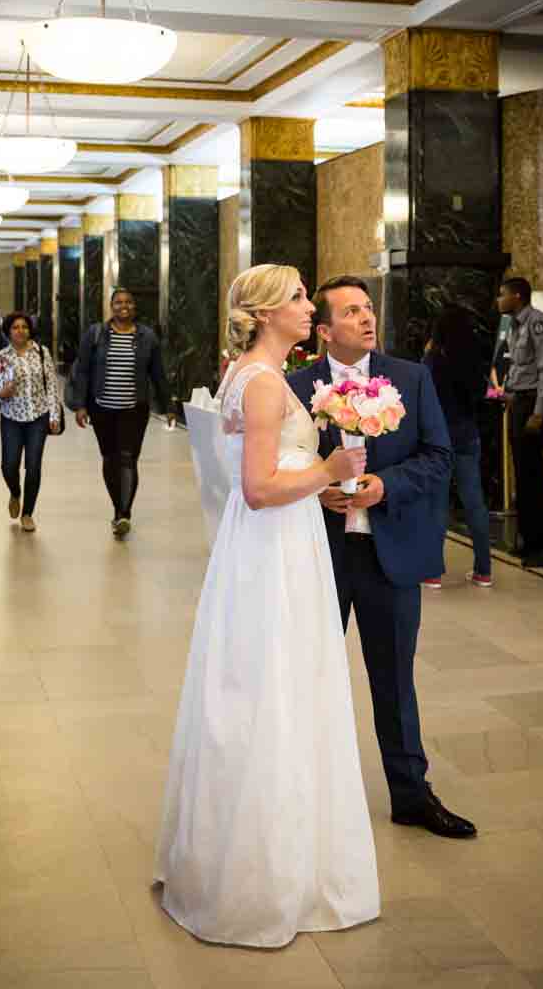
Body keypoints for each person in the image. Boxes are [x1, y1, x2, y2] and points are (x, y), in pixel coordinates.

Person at [155, 264, 379, 948]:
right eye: (298, 298)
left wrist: (322, 490)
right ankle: (260, 877)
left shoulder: (261, 375)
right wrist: (329, 473)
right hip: (272, 546)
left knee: (272, 687)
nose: (309, 307)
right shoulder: (257, 383)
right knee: (273, 690)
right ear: (264, 313)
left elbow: (275, 478)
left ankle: (271, 853)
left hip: (284, 541)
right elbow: (255, 486)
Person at [289, 275, 476, 839]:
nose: (367, 319)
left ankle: (412, 794)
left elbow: (439, 455)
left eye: (369, 308)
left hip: (388, 550)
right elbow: (280, 466)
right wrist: (313, 485)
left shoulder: (412, 379)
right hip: (318, 554)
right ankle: (304, 795)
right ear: (323, 330)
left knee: (394, 679)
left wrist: (385, 485)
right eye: (351, 312)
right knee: (307, 675)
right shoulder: (296, 388)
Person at [70, 287, 172, 539]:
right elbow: (82, 370)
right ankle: (118, 508)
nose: (123, 306)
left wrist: (168, 405)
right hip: (101, 408)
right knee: (109, 458)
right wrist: (80, 405)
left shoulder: (147, 337)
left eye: (128, 302)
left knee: (127, 458)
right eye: (118, 302)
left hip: (134, 409)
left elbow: (158, 373)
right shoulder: (95, 334)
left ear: (134, 307)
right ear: (111, 306)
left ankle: (124, 513)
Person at [497, 277, 543, 570]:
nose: (499, 300)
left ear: (518, 296)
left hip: (536, 402)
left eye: (503, 295)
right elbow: (518, 366)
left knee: (533, 474)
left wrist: (539, 412)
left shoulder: (539, 323)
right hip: (520, 400)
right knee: (524, 475)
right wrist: (509, 393)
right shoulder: (514, 325)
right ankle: (530, 539)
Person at [423, 306, 492, 588]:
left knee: (437, 503)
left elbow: (424, 397)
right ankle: (483, 571)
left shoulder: (433, 358)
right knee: (474, 501)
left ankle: (432, 573)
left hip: (439, 437)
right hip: (467, 434)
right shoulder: (473, 358)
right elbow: (479, 394)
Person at [0, 312, 60, 533]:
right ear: (8, 331)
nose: (20, 331)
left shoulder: (42, 353)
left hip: (38, 416)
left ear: (30, 330)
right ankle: (15, 493)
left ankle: (28, 513)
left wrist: (54, 416)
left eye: (24, 327)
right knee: (9, 466)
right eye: (15, 327)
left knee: (34, 466)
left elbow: (52, 387)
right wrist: (2, 394)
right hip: (11, 418)